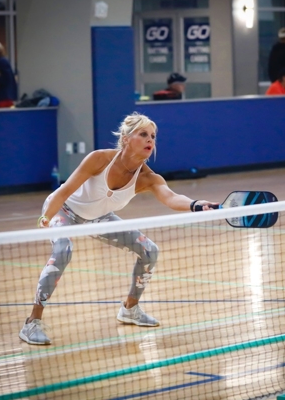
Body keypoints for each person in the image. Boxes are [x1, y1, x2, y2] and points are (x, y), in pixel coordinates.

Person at [19, 112, 219, 345]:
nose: (150, 140)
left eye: (153, 136)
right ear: (126, 138)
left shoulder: (147, 178)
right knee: (63, 250)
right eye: (143, 134)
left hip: (99, 218)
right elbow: (63, 191)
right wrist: (45, 218)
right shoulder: (99, 159)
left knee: (149, 251)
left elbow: (172, 198)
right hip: (64, 210)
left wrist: (196, 204)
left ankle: (130, 309)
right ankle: (32, 322)